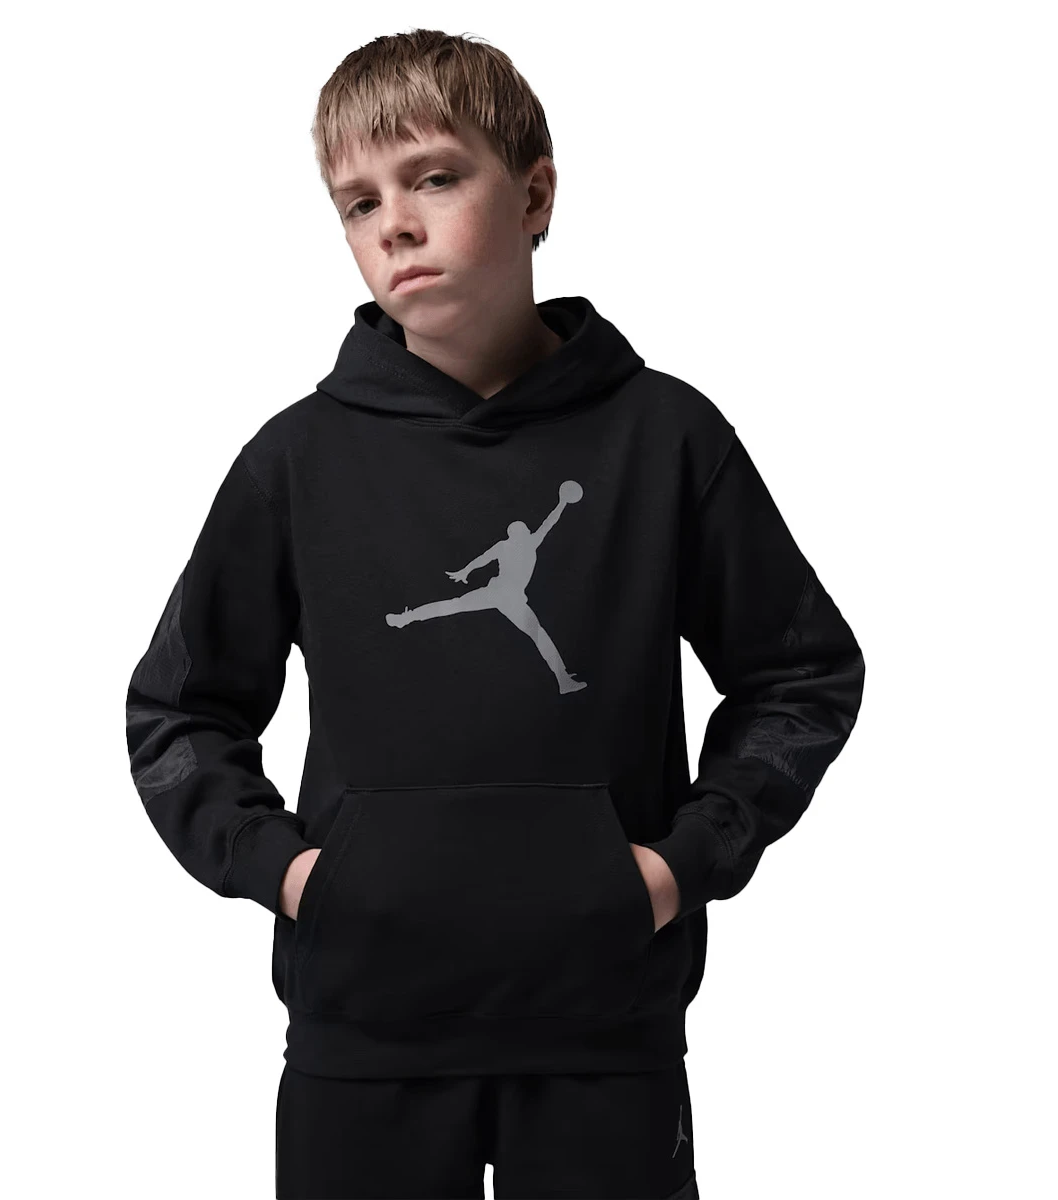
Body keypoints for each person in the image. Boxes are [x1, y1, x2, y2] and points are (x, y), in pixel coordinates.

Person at [124, 28, 865, 1200]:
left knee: (504, 625)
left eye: (432, 177)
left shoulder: (666, 439)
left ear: (533, 194)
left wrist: (678, 865)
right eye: (358, 202)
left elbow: (802, 673)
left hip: (603, 1027)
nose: (394, 225)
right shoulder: (295, 462)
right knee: (464, 614)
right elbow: (178, 711)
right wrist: (295, 875)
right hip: (363, 1030)